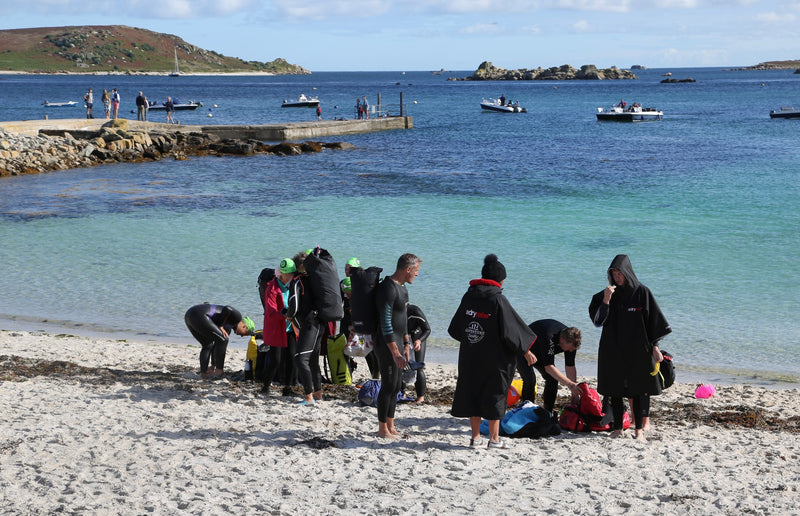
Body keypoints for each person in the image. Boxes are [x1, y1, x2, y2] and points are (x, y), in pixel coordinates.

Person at [449, 254, 536, 449]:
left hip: (471, 356)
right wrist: (526, 351)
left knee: (473, 392)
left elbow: (456, 329)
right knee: (495, 394)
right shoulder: (498, 300)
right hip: (495, 359)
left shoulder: (468, 296)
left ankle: (475, 438)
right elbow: (513, 331)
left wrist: (475, 339)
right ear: (500, 280)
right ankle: (494, 439)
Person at [588, 254, 671, 441]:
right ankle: (617, 428)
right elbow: (598, 322)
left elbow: (653, 322)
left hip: (638, 349)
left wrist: (655, 347)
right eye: (614, 274)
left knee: (639, 389)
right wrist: (606, 301)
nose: (617, 278)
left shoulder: (642, 293)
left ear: (627, 273)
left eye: (620, 274)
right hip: (613, 348)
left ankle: (639, 430)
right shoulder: (605, 295)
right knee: (615, 389)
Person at [374, 253, 421, 438]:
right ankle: (382, 429)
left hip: (399, 343)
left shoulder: (402, 288)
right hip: (386, 344)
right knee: (388, 386)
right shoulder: (387, 289)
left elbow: (404, 319)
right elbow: (386, 323)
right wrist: (395, 351)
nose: (417, 274)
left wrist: (407, 343)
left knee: (396, 387)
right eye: (416, 271)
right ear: (407, 269)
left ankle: (391, 426)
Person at [515, 319, 582, 416]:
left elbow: (570, 366)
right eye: (570, 348)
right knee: (530, 380)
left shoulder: (572, 342)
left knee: (552, 379)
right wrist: (569, 384)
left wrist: (574, 393)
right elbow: (549, 367)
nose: (571, 351)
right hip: (523, 350)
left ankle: (548, 412)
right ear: (562, 340)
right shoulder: (549, 337)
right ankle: (527, 412)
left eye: (573, 349)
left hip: (541, 353)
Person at [292, 250, 326, 406]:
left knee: (301, 358)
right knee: (312, 360)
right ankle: (318, 394)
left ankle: (308, 397)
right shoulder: (316, 279)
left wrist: (289, 316)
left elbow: (294, 304)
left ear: (298, 266)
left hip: (310, 323)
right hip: (321, 322)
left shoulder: (298, 281)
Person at [184, 303, 255, 379]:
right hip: (198, 315)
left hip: (190, 315)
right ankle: (219, 371)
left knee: (208, 345)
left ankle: (204, 374)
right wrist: (220, 325)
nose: (241, 336)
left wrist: (213, 365)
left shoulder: (227, 329)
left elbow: (217, 346)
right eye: (245, 334)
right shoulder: (237, 317)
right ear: (244, 326)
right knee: (224, 340)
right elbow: (228, 308)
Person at [262, 258, 299, 396]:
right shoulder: (271, 288)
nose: (291, 276)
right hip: (277, 328)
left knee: (292, 357)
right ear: (282, 274)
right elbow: (271, 312)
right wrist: (284, 313)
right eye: (289, 274)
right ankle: (265, 386)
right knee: (275, 360)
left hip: (290, 328)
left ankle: (287, 388)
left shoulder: (294, 285)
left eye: (292, 273)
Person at [405, 304, 430, 403]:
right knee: (402, 366)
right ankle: (402, 393)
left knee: (418, 366)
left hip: (417, 337)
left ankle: (420, 397)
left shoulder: (414, 311)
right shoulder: (393, 310)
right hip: (404, 338)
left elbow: (427, 329)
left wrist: (419, 341)